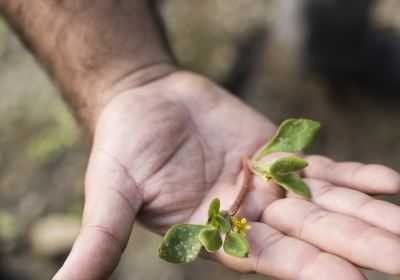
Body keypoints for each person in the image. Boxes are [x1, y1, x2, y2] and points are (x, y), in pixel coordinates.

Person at [1, 1, 399, 279]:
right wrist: (126, 77)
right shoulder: (225, 222)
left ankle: (335, 48)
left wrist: (131, 77)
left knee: (334, 25)